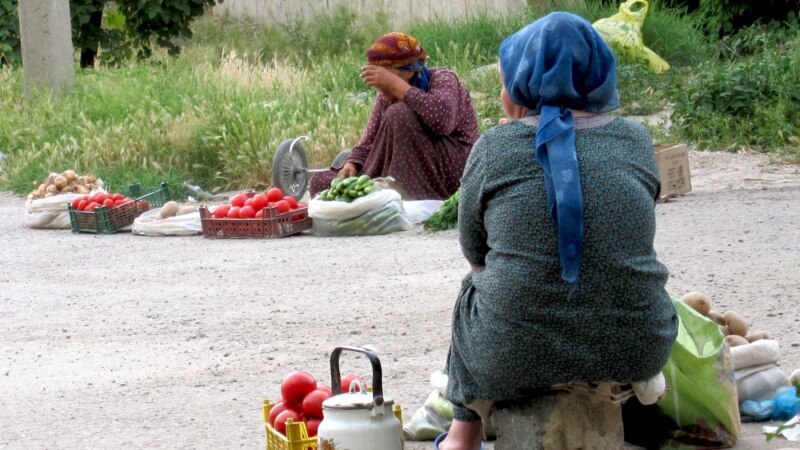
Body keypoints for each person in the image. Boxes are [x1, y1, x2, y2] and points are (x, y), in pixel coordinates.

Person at [435, 12, 678, 450]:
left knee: (473, 290)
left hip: (510, 354)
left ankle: (461, 435)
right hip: (639, 345)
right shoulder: (636, 141)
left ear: (525, 81)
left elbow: (475, 254)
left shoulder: (494, 147)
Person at [309, 32, 479, 201]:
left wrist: (397, 87)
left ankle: (401, 193)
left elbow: (443, 122)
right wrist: (351, 163)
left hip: (451, 166)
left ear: (409, 72)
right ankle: (389, 190)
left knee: (399, 113)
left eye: (386, 76)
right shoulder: (386, 96)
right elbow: (369, 142)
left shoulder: (443, 79)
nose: (381, 85)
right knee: (322, 184)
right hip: (400, 166)